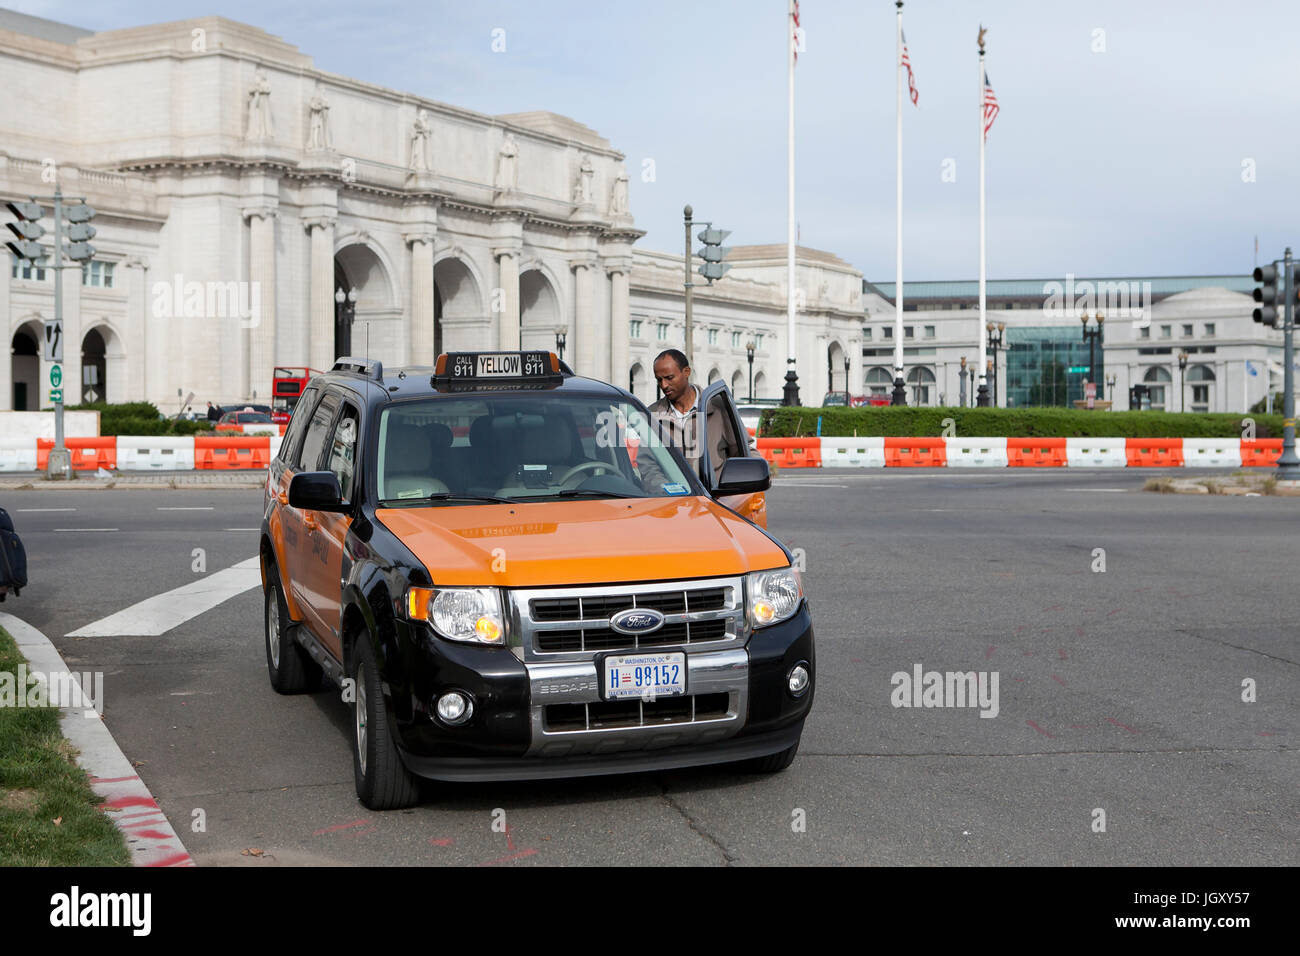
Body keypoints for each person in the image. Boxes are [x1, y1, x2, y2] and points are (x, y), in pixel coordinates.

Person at [646, 349, 740, 484]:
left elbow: (743, 453)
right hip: (672, 500)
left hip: (716, 499)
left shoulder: (719, 407)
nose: (664, 385)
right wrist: (665, 490)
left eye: (669, 378)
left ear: (686, 372)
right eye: (659, 380)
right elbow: (648, 464)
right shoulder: (652, 414)